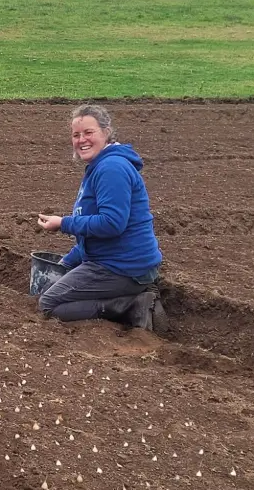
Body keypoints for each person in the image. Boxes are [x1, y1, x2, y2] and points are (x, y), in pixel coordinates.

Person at [36, 104, 167, 332]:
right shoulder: (99, 166)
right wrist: (68, 261)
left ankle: (127, 305)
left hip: (124, 267)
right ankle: (131, 294)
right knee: (54, 287)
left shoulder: (111, 168)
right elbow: (95, 233)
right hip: (115, 262)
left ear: (106, 133)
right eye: (76, 135)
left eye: (89, 133)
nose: (81, 140)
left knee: (49, 303)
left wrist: (63, 223)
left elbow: (111, 224)